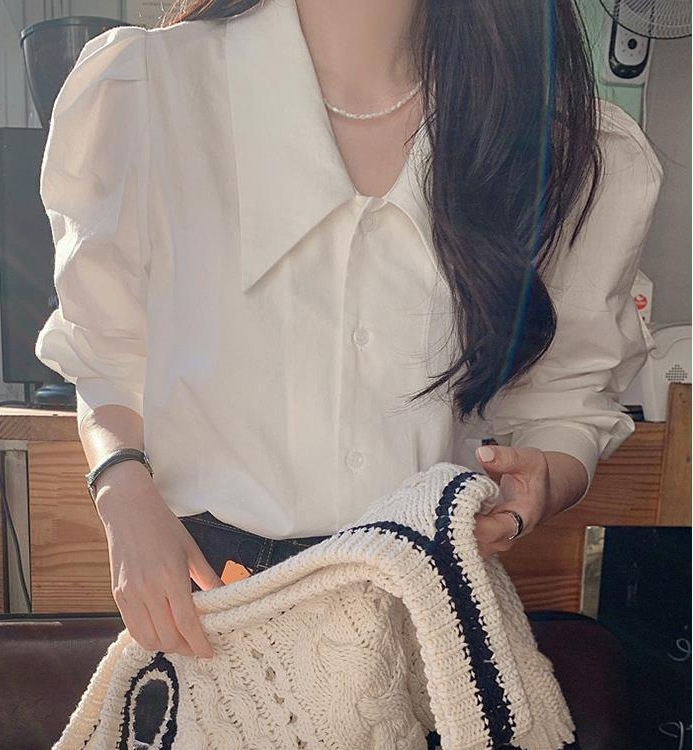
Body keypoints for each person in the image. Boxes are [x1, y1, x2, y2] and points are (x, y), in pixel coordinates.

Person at [35, 0, 662, 671]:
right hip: (211, 611)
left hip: (433, 626)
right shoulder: (145, 91)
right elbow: (105, 354)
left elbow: (567, 401)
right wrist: (124, 497)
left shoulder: (556, 143)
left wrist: (540, 484)